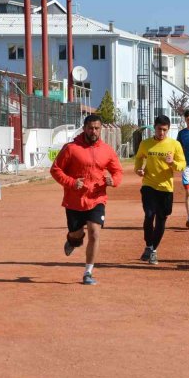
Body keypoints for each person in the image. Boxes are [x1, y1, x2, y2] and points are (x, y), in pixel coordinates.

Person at [50, 114, 123, 285]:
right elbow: (56, 170)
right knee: (77, 234)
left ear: (101, 129)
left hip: (97, 198)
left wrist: (114, 181)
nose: (94, 131)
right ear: (84, 128)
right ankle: (72, 239)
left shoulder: (107, 150)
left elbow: (117, 171)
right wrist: (72, 182)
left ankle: (88, 272)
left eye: (97, 128)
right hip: (74, 200)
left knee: (94, 232)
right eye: (90, 128)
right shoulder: (71, 148)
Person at [134, 115, 186, 265]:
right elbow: (139, 157)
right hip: (149, 185)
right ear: (154, 128)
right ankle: (150, 247)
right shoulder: (146, 144)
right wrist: (139, 169)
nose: (161, 133)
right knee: (149, 214)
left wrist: (173, 163)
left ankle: (152, 249)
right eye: (159, 129)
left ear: (168, 130)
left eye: (164, 130)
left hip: (166, 187)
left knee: (161, 219)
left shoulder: (175, 145)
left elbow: (182, 165)